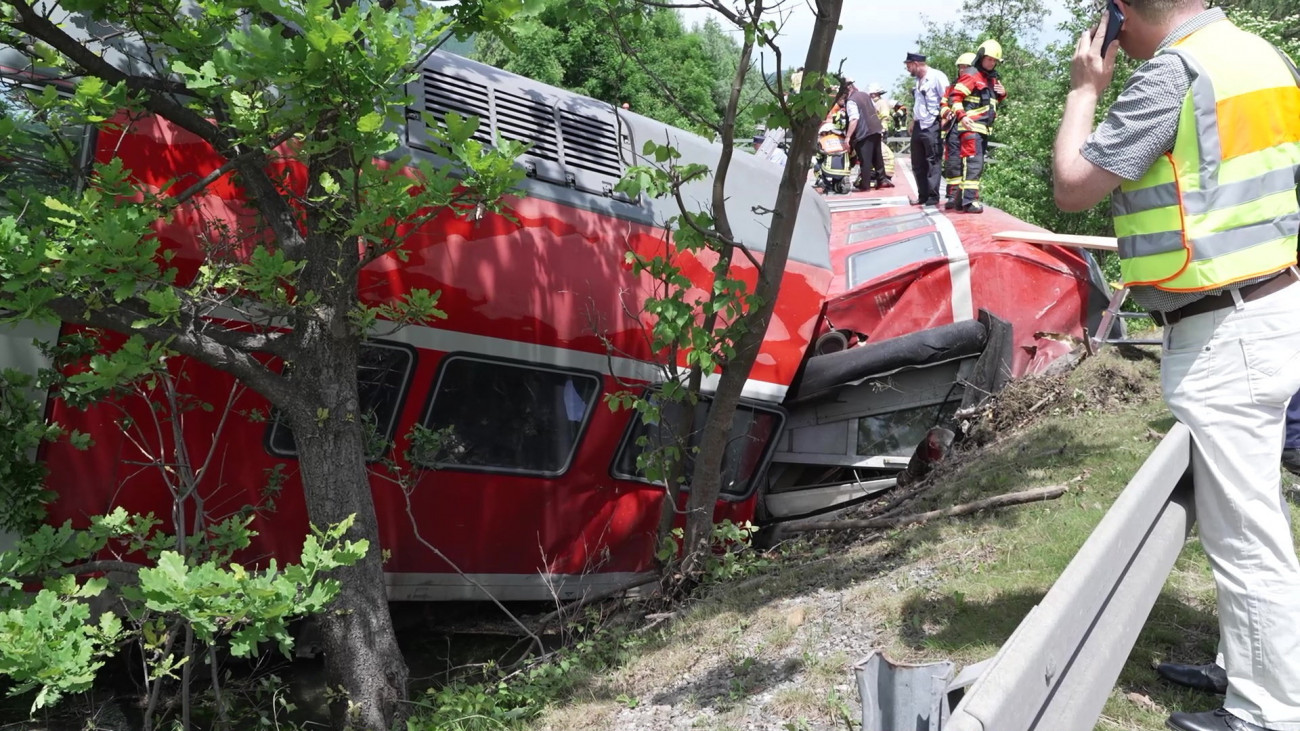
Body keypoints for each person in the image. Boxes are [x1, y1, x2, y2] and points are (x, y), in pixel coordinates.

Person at [1053, 2, 1300, 731]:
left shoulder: (1173, 76)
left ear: (1122, 16)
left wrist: (1082, 90)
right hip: (1273, 301)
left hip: (1226, 328)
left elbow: (1073, 185)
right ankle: (1244, 663)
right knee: (1252, 510)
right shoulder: (1261, 56)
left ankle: (1268, 712)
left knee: (1246, 532)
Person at [946, 40, 1007, 213]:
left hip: (983, 128)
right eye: (989, 59)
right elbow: (955, 98)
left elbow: (989, 102)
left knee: (975, 165)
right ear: (981, 57)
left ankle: (961, 200)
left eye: (995, 61)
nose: (992, 63)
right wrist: (962, 117)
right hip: (971, 127)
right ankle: (969, 201)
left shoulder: (991, 78)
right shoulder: (972, 74)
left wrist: (1002, 94)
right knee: (973, 164)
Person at [904, 52, 949, 206]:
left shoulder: (937, 77)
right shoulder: (918, 81)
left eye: (909, 66)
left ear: (916, 64)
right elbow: (919, 102)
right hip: (919, 124)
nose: (907, 69)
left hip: (932, 124)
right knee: (917, 162)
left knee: (933, 160)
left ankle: (932, 196)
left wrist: (944, 119)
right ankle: (922, 195)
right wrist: (913, 121)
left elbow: (946, 98)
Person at [942, 52, 977, 209]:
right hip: (953, 128)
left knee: (971, 162)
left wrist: (1002, 92)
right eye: (960, 67)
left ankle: (968, 198)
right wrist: (946, 112)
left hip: (969, 127)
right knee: (952, 162)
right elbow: (943, 104)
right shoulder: (951, 88)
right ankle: (952, 195)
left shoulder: (977, 84)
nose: (962, 70)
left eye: (966, 67)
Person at [843, 78, 886, 190]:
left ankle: (865, 185)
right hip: (876, 129)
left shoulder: (851, 101)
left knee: (865, 160)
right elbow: (875, 109)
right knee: (877, 157)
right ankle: (882, 180)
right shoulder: (865, 95)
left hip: (864, 132)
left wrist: (848, 137)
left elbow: (854, 119)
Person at [868, 83, 897, 188]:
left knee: (880, 153)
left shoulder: (881, 103)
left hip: (880, 131)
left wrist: (882, 129)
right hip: (876, 130)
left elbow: (884, 117)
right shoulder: (876, 103)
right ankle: (878, 174)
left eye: (873, 94)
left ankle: (882, 175)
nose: (871, 95)